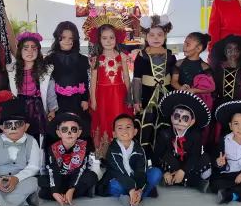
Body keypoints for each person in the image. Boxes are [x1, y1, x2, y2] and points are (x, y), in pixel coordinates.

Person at [0, 99, 42, 206]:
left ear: (26, 126)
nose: (13, 128)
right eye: (8, 125)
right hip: (1, 179)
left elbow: (34, 167)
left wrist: (16, 179)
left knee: (34, 183)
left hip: (23, 180)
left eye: (18, 124)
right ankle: (25, 199)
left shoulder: (32, 141)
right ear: (2, 127)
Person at [132, 14, 176, 158]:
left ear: (165, 36)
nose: (156, 38)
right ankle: (146, 156)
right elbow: (137, 79)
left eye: (159, 35)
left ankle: (163, 155)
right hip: (147, 95)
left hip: (166, 94)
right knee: (148, 123)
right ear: (145, 36)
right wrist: (137, 101)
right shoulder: (141, 55)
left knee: (164, 123)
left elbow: (174, 77)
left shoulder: (170, 55)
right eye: (152, 35)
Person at [153, 91, 212, 193]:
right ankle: (191, 182)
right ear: (171, 118)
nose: (179, 121)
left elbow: (194, 156)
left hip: (188, 166)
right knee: (166, 158)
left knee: (205, 159)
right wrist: (164, 172)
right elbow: (157, 155)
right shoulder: (164, 134)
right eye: (176, 116)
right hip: (173, 164)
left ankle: (182, 180)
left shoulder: (195, 136)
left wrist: (183, 171)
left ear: (192, 121)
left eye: (185, 118)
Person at [89, 21, 132, 158]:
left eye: (111, 37)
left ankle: (121, 149)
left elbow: (126, 77)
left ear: (117, 38)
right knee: (104, 119)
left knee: (118, 117)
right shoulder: (96, 59)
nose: (108, 41)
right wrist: (93, 100)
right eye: (104, 38)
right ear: (99, 40)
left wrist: (129, 96)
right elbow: (93, 81)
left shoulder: (122, 56)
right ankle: (104, 152)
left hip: (119, 94)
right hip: (102, 95)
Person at [44, 22, 91, 147]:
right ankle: (57, 155)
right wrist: (51, 106)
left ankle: (79, 155)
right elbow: (47, 83)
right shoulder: (50, 59)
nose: (67, 41)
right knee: (59, 127)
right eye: (63, 38)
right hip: (57, 101)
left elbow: (85, 79)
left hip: (76, 100)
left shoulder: (82, 59)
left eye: (71, 38)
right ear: (57, 38)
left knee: (77, 126)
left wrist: (85, 99)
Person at [100, 114, 161, 206]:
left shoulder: (139, 150)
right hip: (119, 179)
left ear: (135, 131)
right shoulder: (112, 150)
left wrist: (140, 189)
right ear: (114, 134)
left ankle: (134, 197)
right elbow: (119, 172)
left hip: (135, 180)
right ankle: (141, 194)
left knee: (156, 173)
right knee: (116, 186)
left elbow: (141, 171)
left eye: (128, 127)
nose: (124, 130)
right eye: (120, 128)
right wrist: (132, 189)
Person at [39, 113, 99, 206]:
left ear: (79, 133)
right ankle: (64, 195)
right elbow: (52, 170)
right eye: (64, 129)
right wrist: (55, 190)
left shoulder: (83, 147)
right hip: (59, 177)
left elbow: (80, 169)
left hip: (76, 178)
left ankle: (68, 194)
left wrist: (71, 189)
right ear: (59, 133)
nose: (69, 133)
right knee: (42, 181)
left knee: (91, 177)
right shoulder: (53, 148)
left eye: (73, 129)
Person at [211, 35, 241, 153]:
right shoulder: (218, 68)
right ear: (224, 52)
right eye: (229, 49)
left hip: (239, 106)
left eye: (235, 50)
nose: (232, 53)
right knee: (220, 133)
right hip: (220, 105)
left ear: (240, 52)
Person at [172, 32, 215, 148]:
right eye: (184, 43)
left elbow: (212, 87)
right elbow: (173, 81)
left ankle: (197, 148)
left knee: (196, 127)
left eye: (188, 44)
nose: (184, 47)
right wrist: (181, 88)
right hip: (182, 100)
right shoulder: (179, 63)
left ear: (198, 48)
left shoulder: (205, 67)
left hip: (198, 103)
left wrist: (194, 90)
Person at [14, 31, 57, 144]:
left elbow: (50, 92)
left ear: (38, 51)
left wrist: (52, 109)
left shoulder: (45, 70)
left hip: (37, 110)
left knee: (37, 137)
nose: (30, 51)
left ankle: (38, 159)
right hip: (19, 108)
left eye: (34, 48)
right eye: (26, 48)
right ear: (20, 51)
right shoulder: (12, 70)